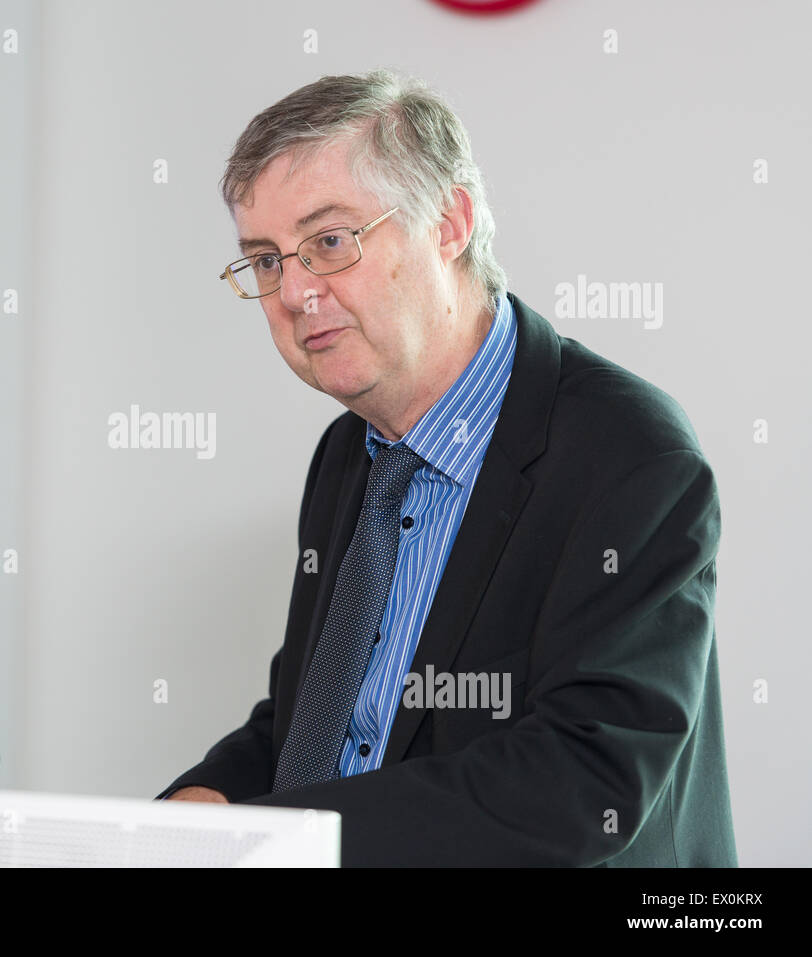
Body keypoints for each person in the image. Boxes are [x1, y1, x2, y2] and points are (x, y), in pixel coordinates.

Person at [157, 68, 737, 867]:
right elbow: (325, 722)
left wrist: (282, 841)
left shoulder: (629, 453)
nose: (294, 293)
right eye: (265, 260)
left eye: (329, 242)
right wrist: (204, 805)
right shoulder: (349, 449)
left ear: (450, 221)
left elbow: (584, 777)